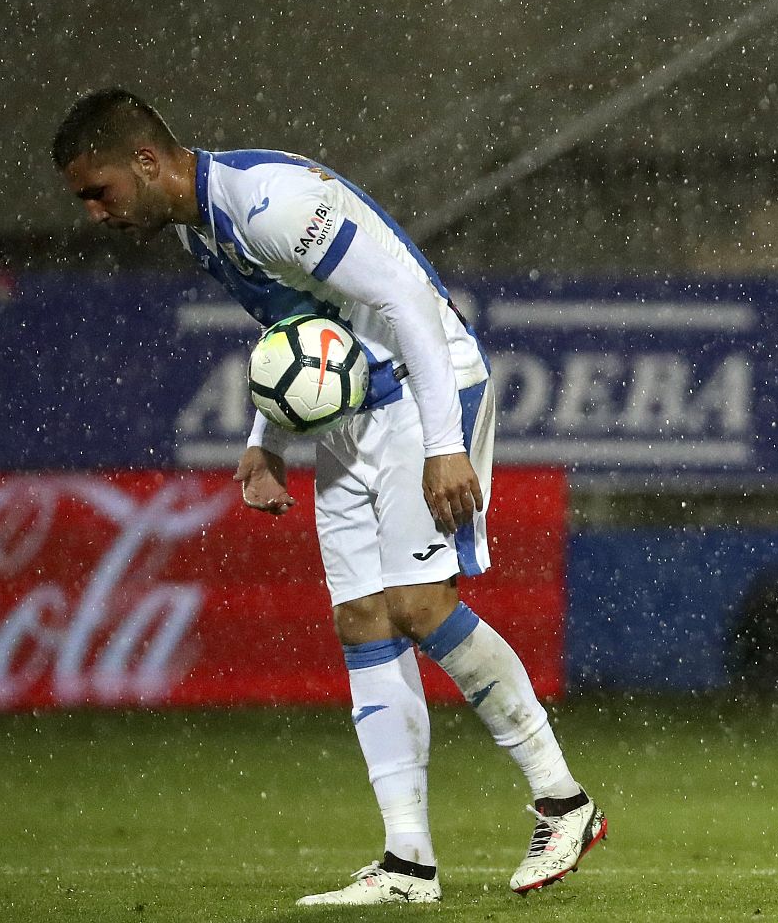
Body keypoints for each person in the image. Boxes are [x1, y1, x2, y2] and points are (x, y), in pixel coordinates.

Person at [53, 89, 605, 906]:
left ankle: (564, 800)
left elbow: (406, 299)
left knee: (419, 604)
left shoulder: (273, 203)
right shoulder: (204, 230)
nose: (95, 213)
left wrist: (444, 442)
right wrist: (267, 439)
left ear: (145, 161)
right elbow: (300, 332)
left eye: (98, 190)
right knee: (363, 619)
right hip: (350, 412)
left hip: (424, 389)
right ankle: (408, 863)